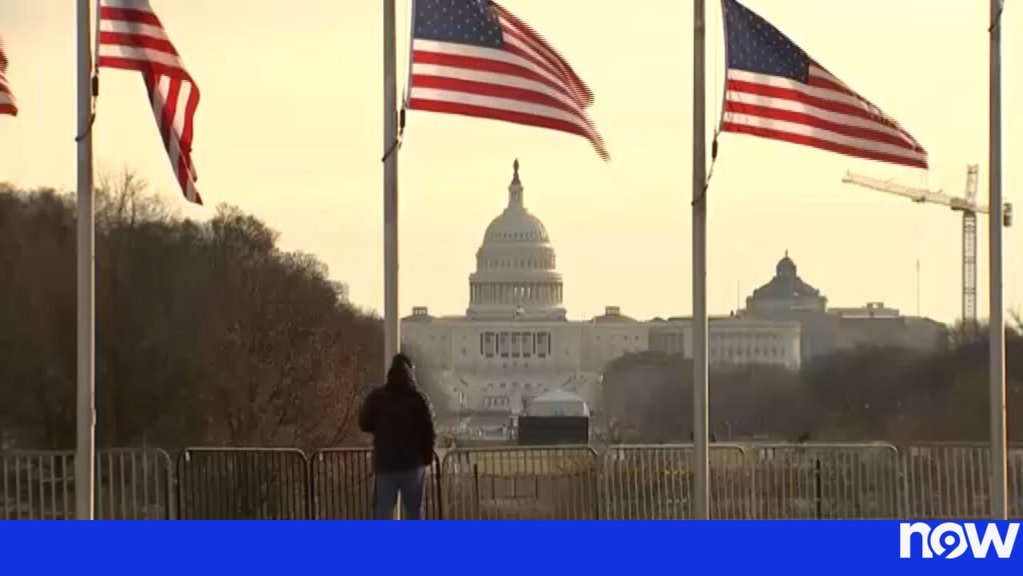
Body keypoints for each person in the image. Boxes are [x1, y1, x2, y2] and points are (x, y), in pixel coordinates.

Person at [358, 353, 437, 520]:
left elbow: (363, 422)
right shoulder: (418, 399)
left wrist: (380, 429)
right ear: (411, 372)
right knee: (415, 510)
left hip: (386, 463)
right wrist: (427, 456)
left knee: (383, 510)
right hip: (413, 463)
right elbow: (429, 430)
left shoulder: (377, 398)